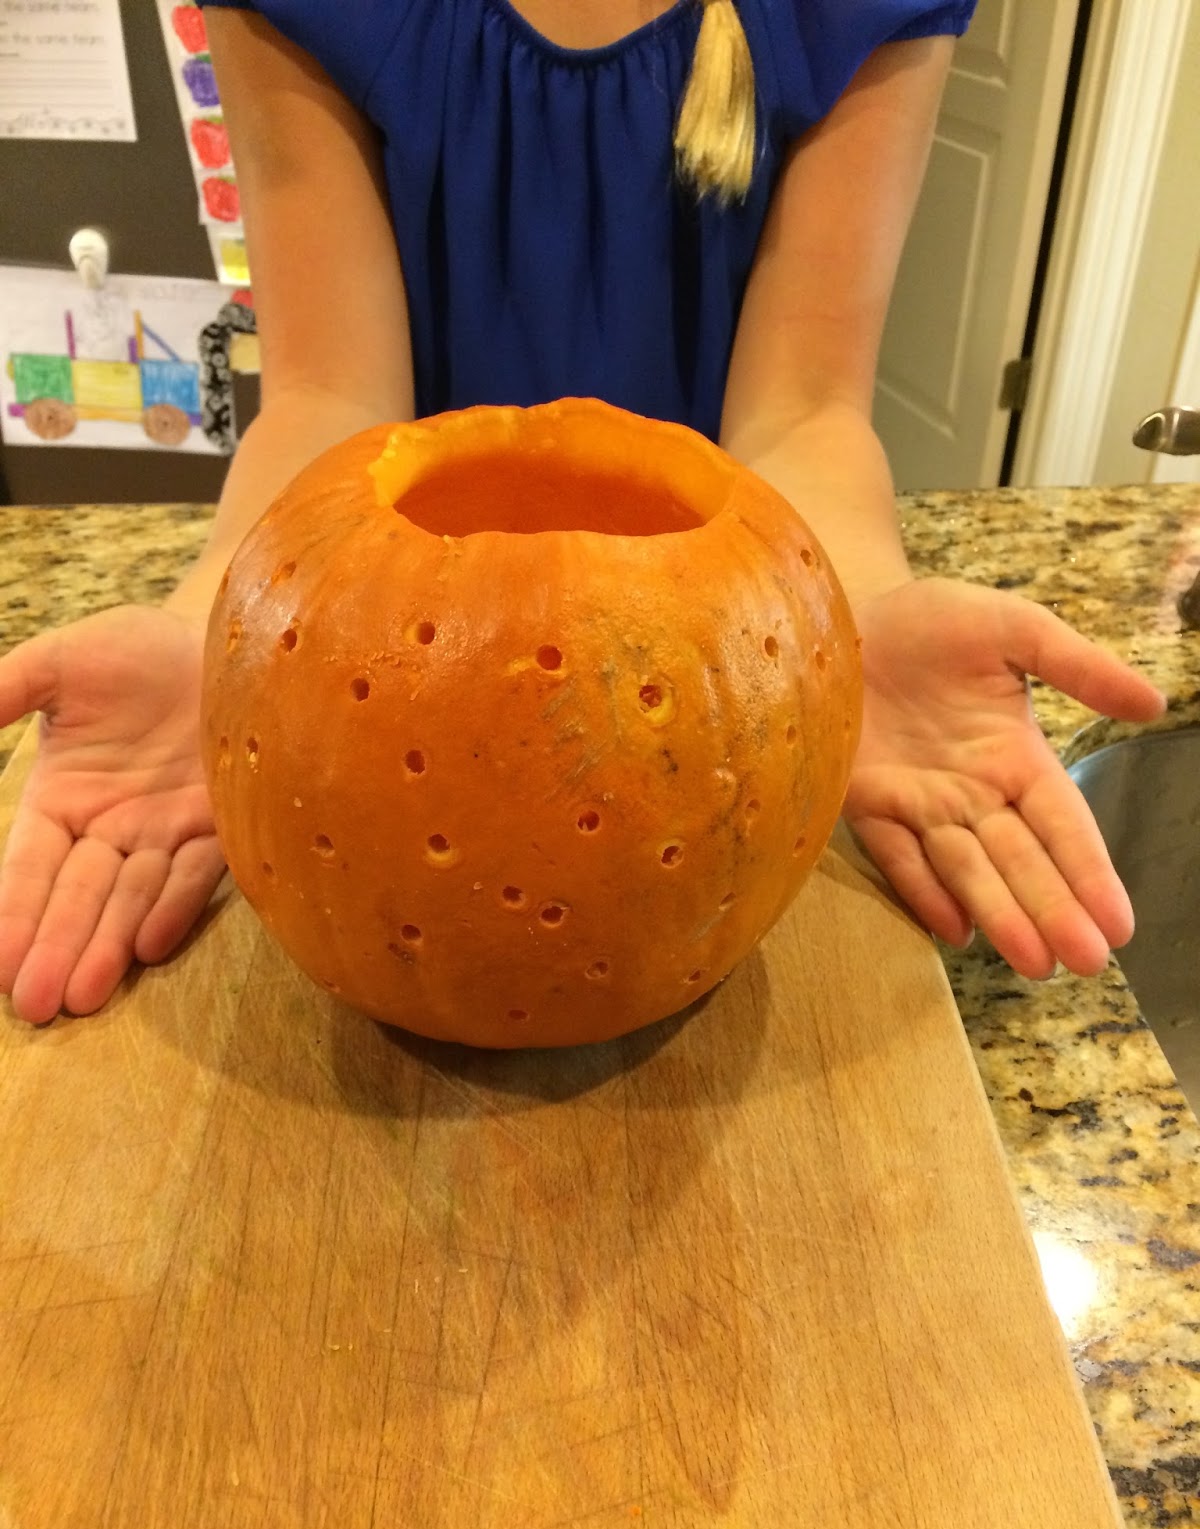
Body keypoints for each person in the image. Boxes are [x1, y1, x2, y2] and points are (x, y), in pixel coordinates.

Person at [0, 0, 1166, 1026]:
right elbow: (332, 397)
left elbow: (803, 406)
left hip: (701, 703)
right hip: (389, 681)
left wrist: (855, 619)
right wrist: (215, 630)